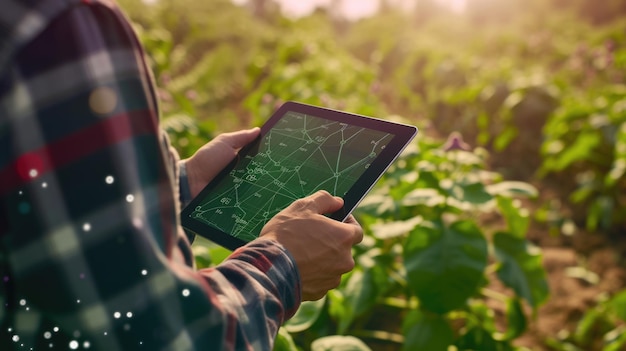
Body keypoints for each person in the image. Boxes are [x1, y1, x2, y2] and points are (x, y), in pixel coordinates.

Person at [0, 0, 363, 349]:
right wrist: (285, 263)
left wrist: (182, 187)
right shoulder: (63, 25)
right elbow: (152, 336)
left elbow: (41, 216)